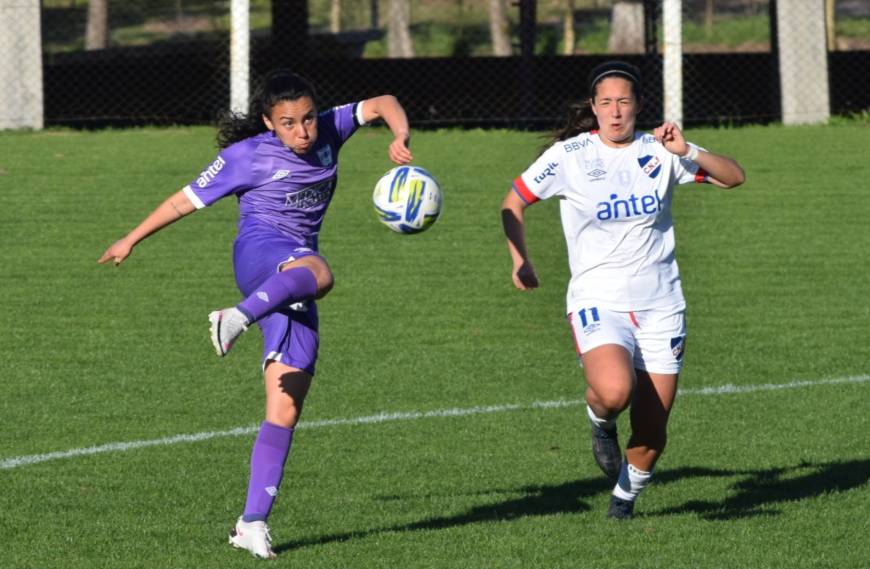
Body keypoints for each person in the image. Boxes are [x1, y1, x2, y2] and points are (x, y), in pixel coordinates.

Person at [98, 69, 413, 558]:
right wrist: (131, 238)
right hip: (262, 255)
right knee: (322, 273)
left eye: (308, 119)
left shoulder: (330, 129)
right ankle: (236, 318)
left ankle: (251, 523)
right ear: (268, 122)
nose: (303, 132)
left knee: (286, 406)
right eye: (288, 123)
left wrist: (400, 135)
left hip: (293, 281)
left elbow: (383, 100)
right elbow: (185, 200)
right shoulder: (243, 157)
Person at [501, 61, 744, 519]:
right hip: (598, 300)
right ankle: (600, 421)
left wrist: (687, 148)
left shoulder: (661, 150)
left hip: (663, 306)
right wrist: (521, 258)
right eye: (606, 103)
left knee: (652, 435)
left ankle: (622, 504)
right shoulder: (569, 156)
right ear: (593, 108)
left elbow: (734, 176)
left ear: (639, 106)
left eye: (624, 103)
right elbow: (513, 200)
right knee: (614, 391)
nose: (615, 113)